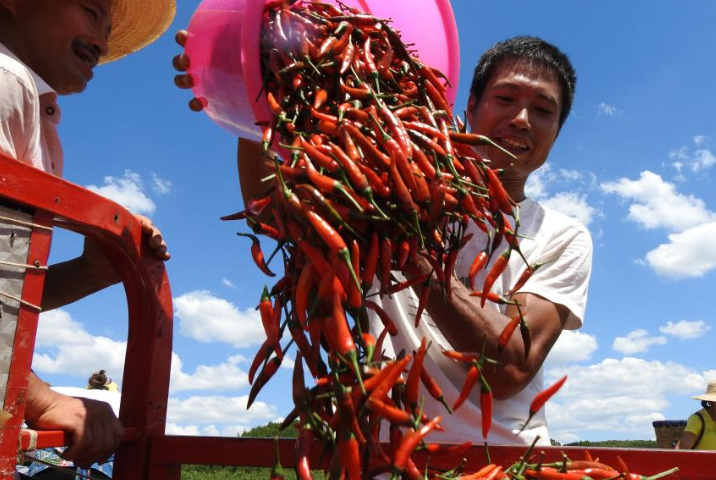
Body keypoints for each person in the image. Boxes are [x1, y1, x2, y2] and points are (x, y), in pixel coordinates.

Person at [172, 32, 591, 444]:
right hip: (383, 461)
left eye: (542, 110)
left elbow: (510, 368)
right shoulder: (384, 177)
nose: (521, 119)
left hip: (496, 463)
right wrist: (247, 96)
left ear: (556, 132)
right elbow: (273, 212)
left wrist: (404, 240)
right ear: (471, 105)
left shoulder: (561, 236)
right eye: (506, 99)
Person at [0, 0, 175, 469]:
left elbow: (5, 291)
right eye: (92, 10)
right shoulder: (5, 80)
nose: (103, 35)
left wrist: (91, 271)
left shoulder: (31, 103)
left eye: (110, 24)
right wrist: (38, 399)